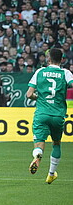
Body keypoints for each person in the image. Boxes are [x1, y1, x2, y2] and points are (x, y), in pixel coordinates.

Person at [26, 48, 73, 184]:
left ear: (48, 59)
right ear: (62, 60)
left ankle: (37, 154)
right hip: (58, 115)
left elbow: (29, 94)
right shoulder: (65, 73)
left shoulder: (40, 72)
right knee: (56, 144)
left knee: (39, 142)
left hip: (42, 113)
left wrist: (39, 98)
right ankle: (51, 174)